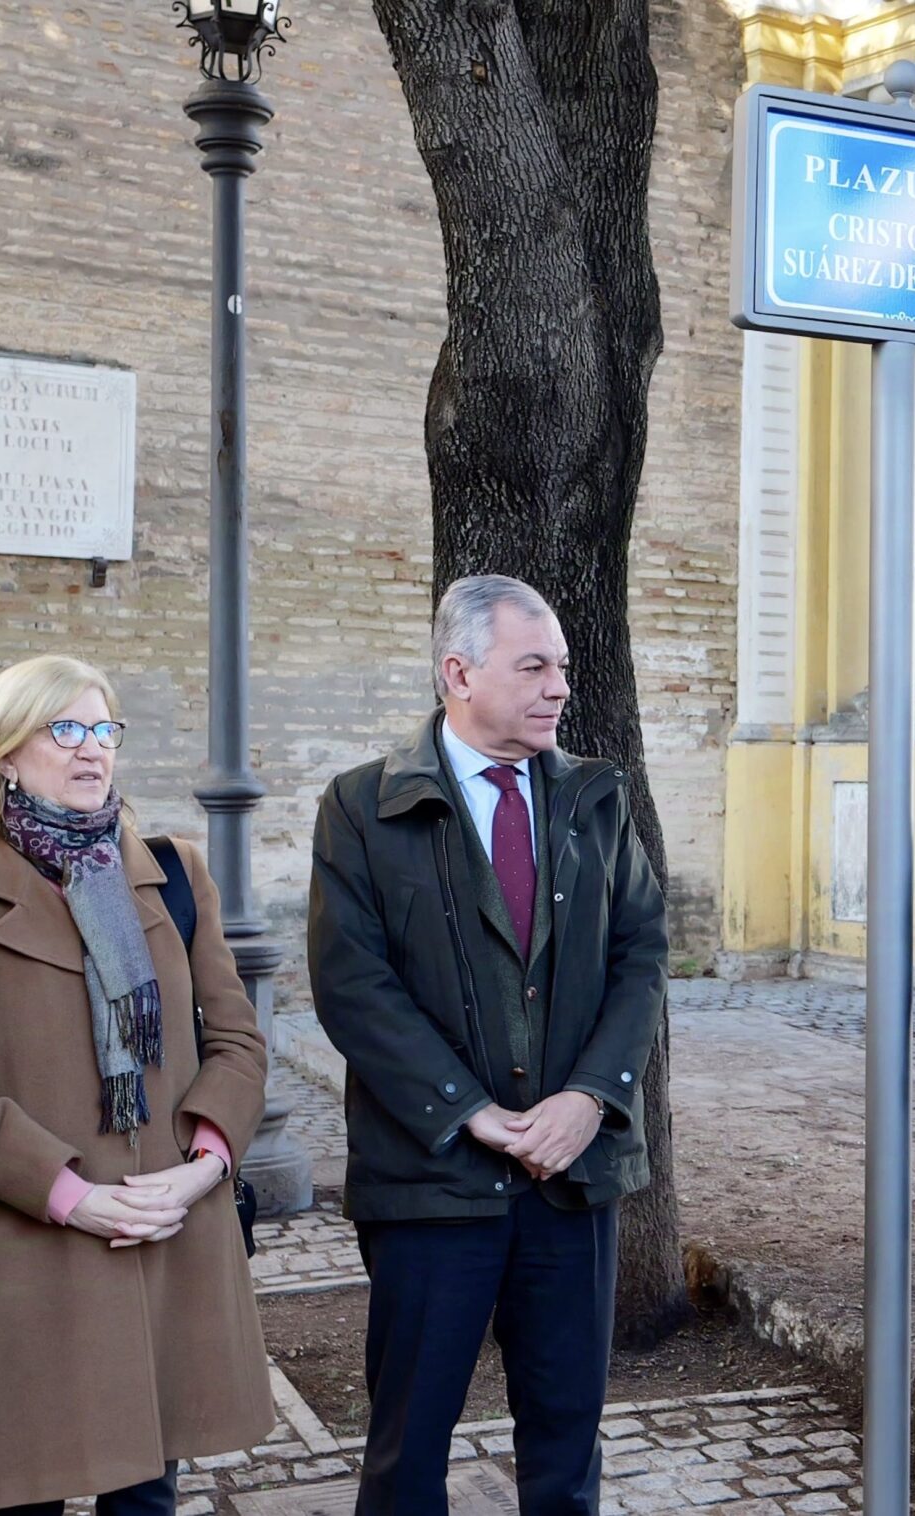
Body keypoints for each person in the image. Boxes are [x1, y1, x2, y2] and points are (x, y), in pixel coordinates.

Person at [309, 574, 668, 1516]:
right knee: (406, 1453)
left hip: (570, 1181)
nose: (559, 687)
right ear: (457, 673)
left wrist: (591, 1098)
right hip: (430, 1182)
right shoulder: (360, 808)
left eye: (563, 668)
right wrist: (466, 1111)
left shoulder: (596, 795)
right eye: (535, 666)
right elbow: (353, 986)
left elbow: (641, 955)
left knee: (565, 1446)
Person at [0, 655, 273, 1514]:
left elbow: (239, 1041)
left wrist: (204, 1166)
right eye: (65, 729)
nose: (91, 749)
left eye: (104, 730)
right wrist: (72, 1195)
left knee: (145, 1496)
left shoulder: (171, 871)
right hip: (32, 1249)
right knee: (20, 1495)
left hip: (163, 1238)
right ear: (5, 752)